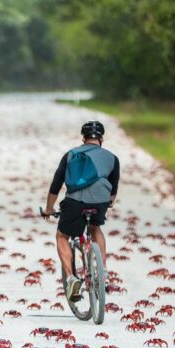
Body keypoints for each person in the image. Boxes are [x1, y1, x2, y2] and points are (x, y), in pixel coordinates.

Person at [44, 120, 120, 301]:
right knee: (95, 228)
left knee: (62, 236)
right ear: (101, 139)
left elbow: (56, 185)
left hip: (75, 202)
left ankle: (71, 279)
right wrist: (107, 203)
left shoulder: (71, 155)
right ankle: (103, 270)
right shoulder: (112, 158)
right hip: (100, 202)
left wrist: (48, 209)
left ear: (83, 138)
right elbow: (113, 191)